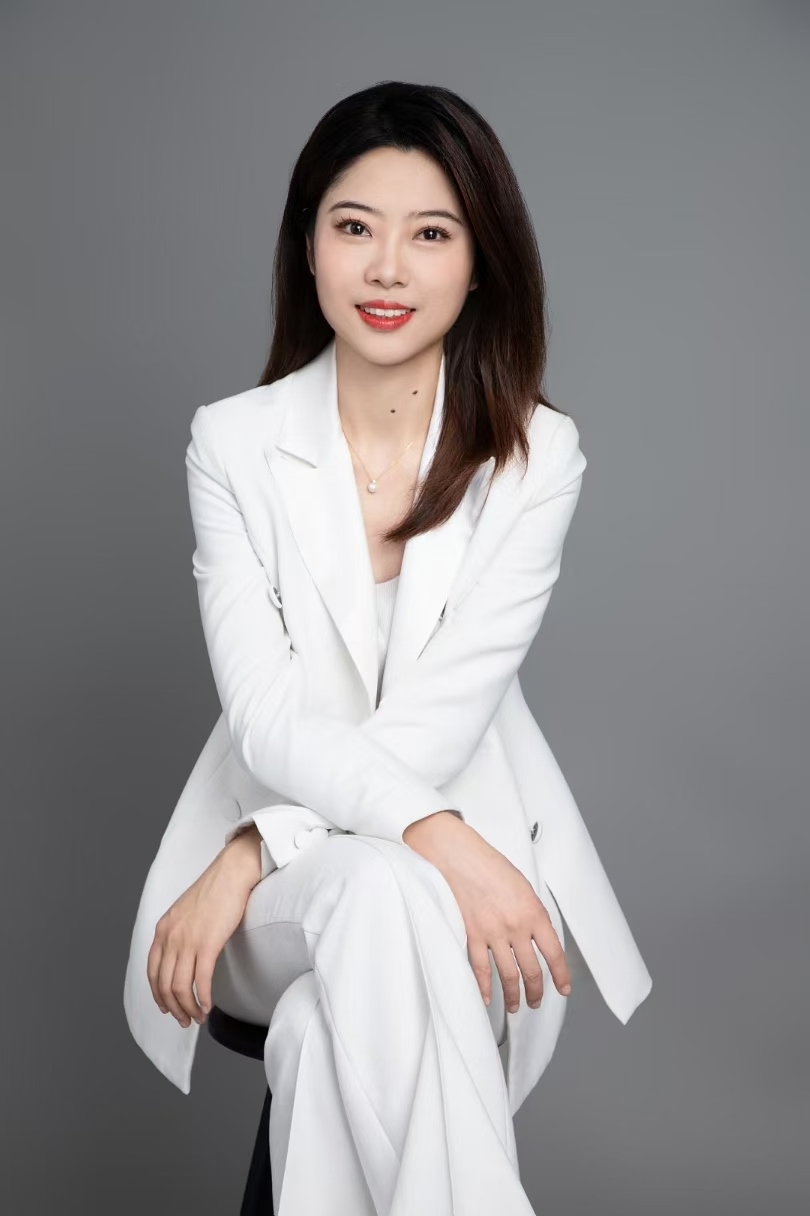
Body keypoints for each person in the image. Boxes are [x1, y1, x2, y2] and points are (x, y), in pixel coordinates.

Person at [124, 80, 652, 1215]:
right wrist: (305, 854)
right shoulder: (233, 444)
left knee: (329, 1027)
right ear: (308, 245)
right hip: (286, 906)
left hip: (412, 887)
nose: (388, 269)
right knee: (373, 887)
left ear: (481, 262)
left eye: (432, 235)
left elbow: (439, 721)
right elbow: (267, 718)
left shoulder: (536, 457)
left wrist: (256, 846)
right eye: (355, 227)